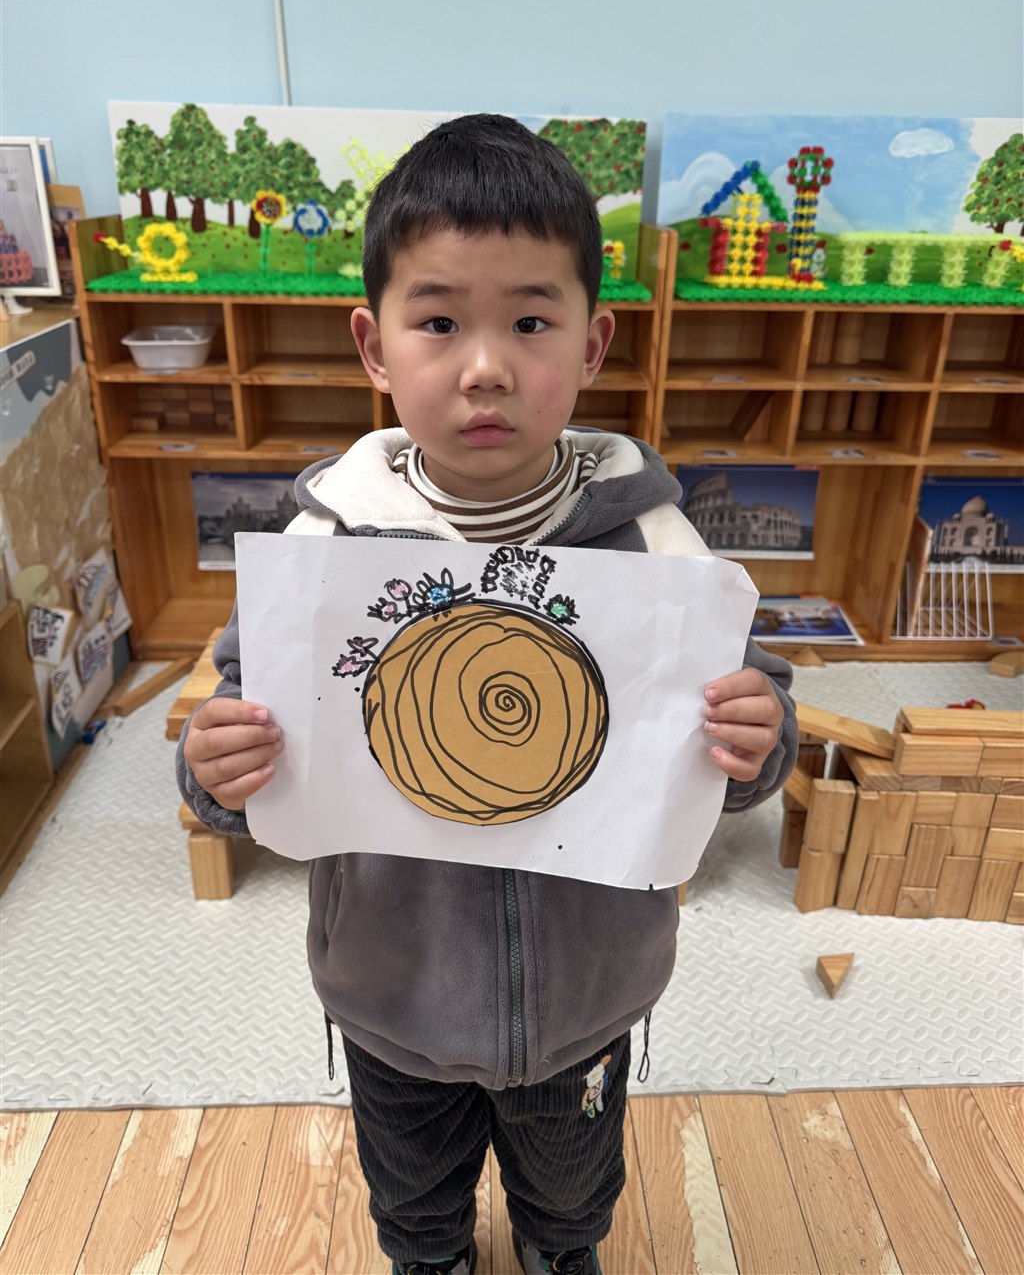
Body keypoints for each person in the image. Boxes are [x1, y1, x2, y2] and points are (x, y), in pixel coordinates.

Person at [177, 114, 797, 1275]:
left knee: (572, 1199)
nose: (484, 367)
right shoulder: (327, 545)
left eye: (528, 321)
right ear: (372, 346)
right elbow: (241, 727)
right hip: (392, 994)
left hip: (588, 998)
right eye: (438, 322)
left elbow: (744, 710)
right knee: (414, 1206)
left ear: (594, 342)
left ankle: (559, 1255)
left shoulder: (655, 541)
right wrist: (216, 772)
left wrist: (759, 739)